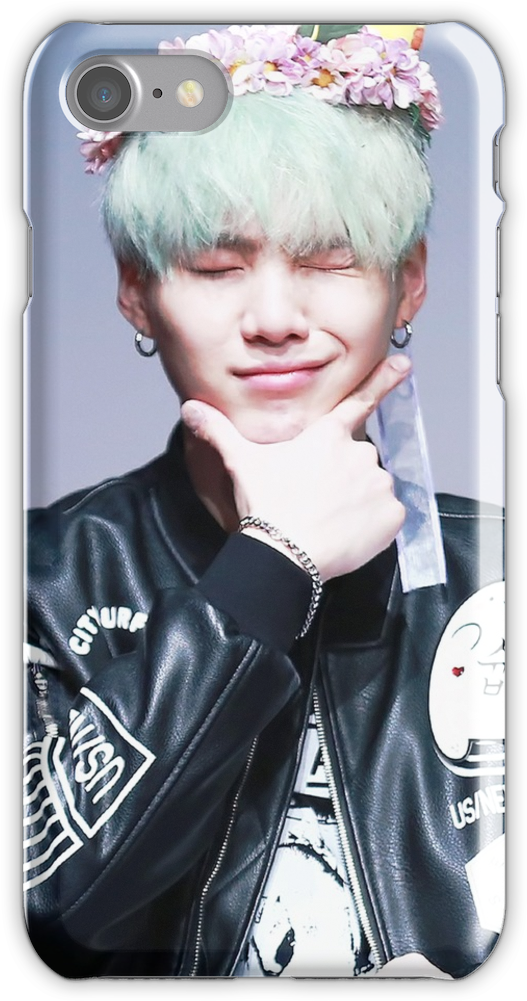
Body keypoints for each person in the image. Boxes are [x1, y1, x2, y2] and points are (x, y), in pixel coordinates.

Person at [24, 24, 504, 979]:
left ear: (408, 280)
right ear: (135, 292)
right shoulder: (48, 579)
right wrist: (270, 565)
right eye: (216, 266)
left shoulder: (493, 575)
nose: (276, 319)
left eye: (329, 261)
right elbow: (51, 900)